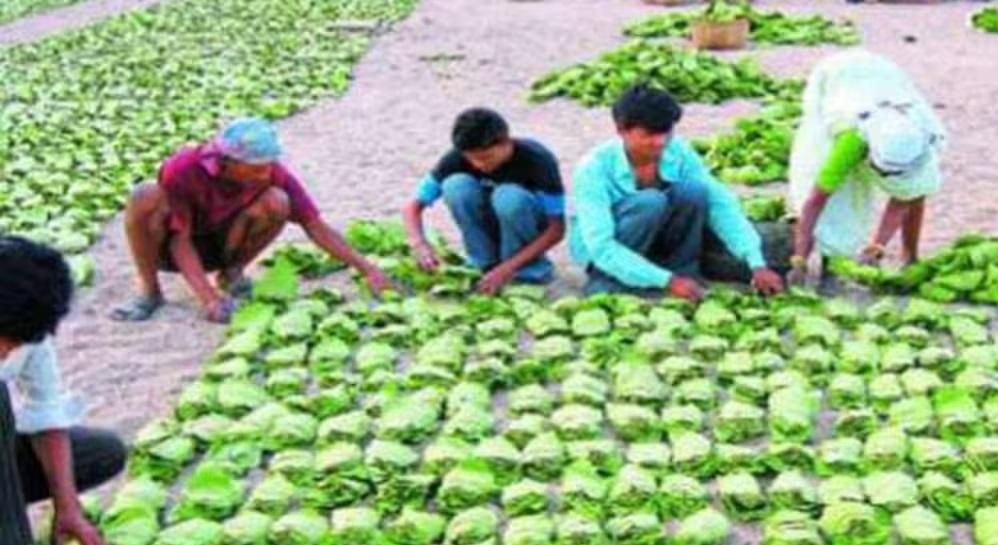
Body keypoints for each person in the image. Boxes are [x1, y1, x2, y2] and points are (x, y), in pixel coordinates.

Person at [111, 117, 392, 324]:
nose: (265, 172)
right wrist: (207, 298)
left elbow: (315, 226)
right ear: (227, 162)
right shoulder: (184, 169)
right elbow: (179, 240)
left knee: (277, 200)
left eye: (269, 164)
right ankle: (149, 291)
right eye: (256, 168)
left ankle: (232, 273)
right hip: (167, 247)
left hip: (224, 243)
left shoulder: (271, 173)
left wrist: (367, 268)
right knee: (144, 196)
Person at [0, 237, 125, 545]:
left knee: (100, 453)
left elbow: (46, 410)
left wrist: (67, 507)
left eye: (16, 344)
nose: (7, 353)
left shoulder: (24, 322)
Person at [570, 84, 783, 301]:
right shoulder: (593, 169)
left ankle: (681, 271)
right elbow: (601, 246)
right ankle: (609, 280)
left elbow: (720, 202)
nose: (660, 142)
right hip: (607, 255)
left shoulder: (677, 151)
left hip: (656, 240)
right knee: (649, 202)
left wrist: (756, 263)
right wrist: (667, 281)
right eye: (649, 134)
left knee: (695, 191)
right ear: (621, 130)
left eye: (666, 132)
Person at [786, 49, 946, 284]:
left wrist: (876, 247)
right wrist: (799, 259)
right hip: (839, 77)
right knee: (831, 184)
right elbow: (815, 200)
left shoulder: (922, 137)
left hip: (887, 83)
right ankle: (828, 258)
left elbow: (908, 195)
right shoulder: (851, 139)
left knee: (915, 188)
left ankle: (910, 256)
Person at [403, 108, 565, 295]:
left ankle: (526, 271)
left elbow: (556, 230)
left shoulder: (538, 159)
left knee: (509, 197)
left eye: (485, 158)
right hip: (488, 220)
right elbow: (412, 207)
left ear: (506, 142)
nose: (479, 165)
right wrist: (419, 244)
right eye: (471, 159)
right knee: (455, 186)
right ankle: (483, 263)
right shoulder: (456, 158)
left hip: (526, 227)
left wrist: (508, 268)